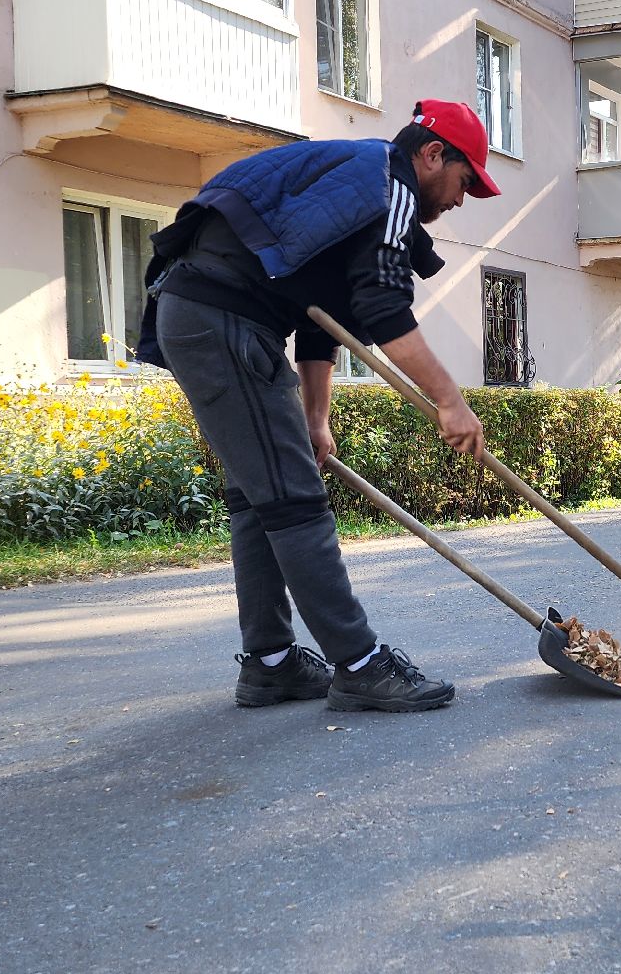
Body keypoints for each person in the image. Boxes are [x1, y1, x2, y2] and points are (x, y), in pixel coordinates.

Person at [135, 99, 500, 714]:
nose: (461, 200)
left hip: (210, 316)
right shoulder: (390, 185)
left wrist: (315, 418)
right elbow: (385, 313)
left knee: (262, 494)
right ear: (434, 155)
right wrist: (450, 402)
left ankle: (271, 662)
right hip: (223, 320)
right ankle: (359, 664)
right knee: (294, 498)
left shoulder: (354, 183)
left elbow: (322, 317)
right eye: (466, 182)